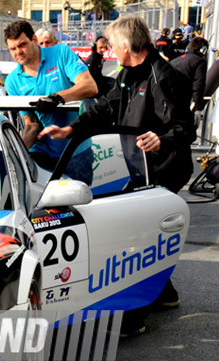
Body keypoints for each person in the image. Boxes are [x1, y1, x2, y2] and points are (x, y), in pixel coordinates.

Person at [38, 16, 195, 331]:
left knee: (137, 237)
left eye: (111, 43)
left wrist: (160, 139)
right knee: (141, 234)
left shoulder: (163, 75)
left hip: (164, 169)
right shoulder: (126, 73)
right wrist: (71, 129)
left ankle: (133, 316)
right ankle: (165, 293)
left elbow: (185, 127)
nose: (108, 48)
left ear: (127, 45)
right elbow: (103, 110)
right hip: (139, 167)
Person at [3, 20, 97, 184]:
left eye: (22, 45)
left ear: (34, 40)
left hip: (75, 149)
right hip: (42, 154)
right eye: (13, 48)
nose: (18, 52)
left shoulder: (60, 53)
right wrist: (13, 157)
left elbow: (90, 86)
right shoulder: (12, 81)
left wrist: (57, 98)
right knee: (43, 208)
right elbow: (32, 125)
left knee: (79, 206)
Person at [170, 36, 209, 126]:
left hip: (169, 103)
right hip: (184, 103)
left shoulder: (175, 61)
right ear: (203, 50)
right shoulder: (199, 62)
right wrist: (198, 109)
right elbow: (199, 85)